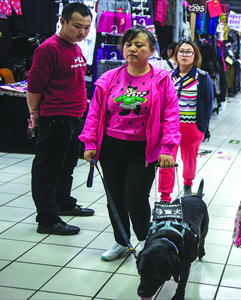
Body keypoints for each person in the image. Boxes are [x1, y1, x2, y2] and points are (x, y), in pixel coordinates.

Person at [79, 25, 180, 261]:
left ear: (152, 50)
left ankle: (145, 240)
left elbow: (171, 116)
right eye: (128, 44)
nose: (132, 49)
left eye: (139, 45)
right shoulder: (109, 77)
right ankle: (121, 241)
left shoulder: (161, 80)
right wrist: (90, 143)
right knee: (114, 197)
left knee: (135, 196)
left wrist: (167, 149)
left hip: (143, 149)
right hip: (111, 146)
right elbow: (94, 112)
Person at [27, 3, 94, 236]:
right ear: (62, 21)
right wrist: (34, 114)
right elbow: (34, 87)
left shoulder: (74, 46)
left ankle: (64, 203)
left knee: (67, 166)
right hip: (55, 117)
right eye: (77, 26)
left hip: (75, 117)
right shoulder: (49, 49)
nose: (83, 32)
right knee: (48, 169)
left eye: (87, 27)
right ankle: (46, 218)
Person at [158, 40, 214, 201]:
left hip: (192, 126)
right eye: (181, 51)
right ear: (175, 54)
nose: (184, 55)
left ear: (195, 55)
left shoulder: (202, 77)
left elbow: (208, 103)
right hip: (170, 127)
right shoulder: (168, 76)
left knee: (190, 159)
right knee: (167, 159)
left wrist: (202, 127)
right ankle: (165, 195)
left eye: (189, 52)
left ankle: (188, 185)